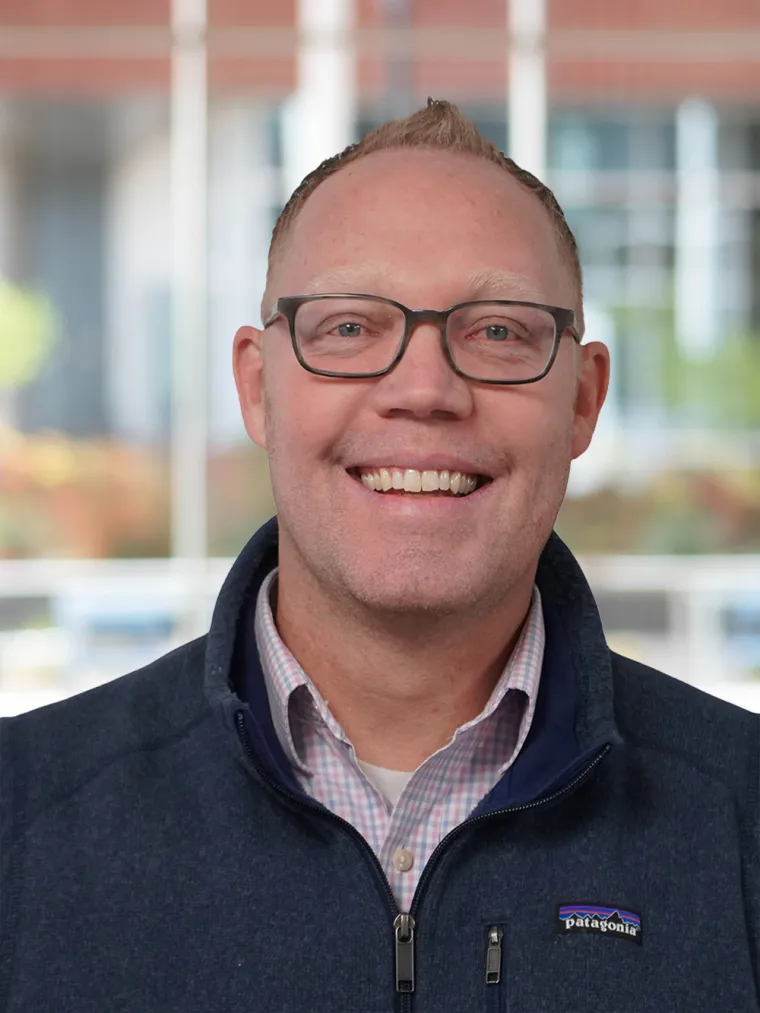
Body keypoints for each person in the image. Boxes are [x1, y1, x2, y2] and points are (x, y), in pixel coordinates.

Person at [1, 99, 758, 1013]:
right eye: (350, 328)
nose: (425, 389)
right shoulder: (22, 814)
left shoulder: (741, 814)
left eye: (499, 332)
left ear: (584, 401)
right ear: (257, 388)